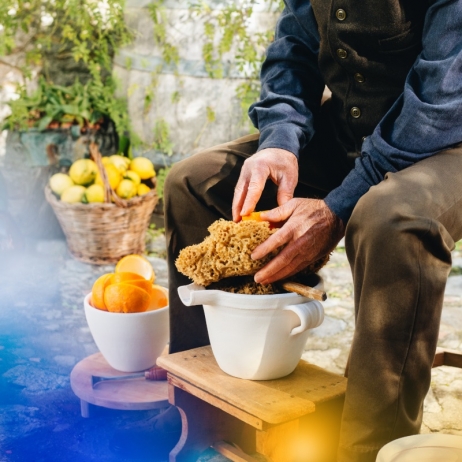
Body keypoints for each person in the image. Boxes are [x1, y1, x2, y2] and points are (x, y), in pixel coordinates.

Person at [164, 0, 462, 460]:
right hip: (350, 132)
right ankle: (208, 414)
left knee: (390, 220)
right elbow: (293, 49)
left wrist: (337, 207)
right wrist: (279, 141)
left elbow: (439, 101)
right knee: (193, 183)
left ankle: (371, 449)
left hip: (444, 137)